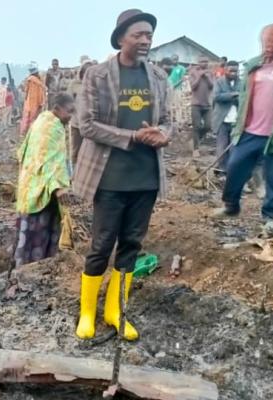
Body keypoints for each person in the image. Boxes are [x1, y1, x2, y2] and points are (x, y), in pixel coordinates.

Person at [74, 9, 172, 341]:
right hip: (109, 175)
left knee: (131, 244)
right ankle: (88, 311)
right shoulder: (98, 76)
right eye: (139, 35)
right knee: (102, 244)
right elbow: (86, 125)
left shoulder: (158, 77)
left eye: (149, 36)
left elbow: (169, 120)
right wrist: (131, 137)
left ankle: (116, 310)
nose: (146, 41)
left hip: (146, 176)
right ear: (121, 39)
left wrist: (163, 134)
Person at [212, 24, 273, 232]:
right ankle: (231, 206)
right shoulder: (254, 67)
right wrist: (239, 127)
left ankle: (269, 216)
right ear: (265, 41)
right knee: (235, 166)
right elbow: (245, 98)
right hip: (250, 130)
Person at [13, 93, 76, 267]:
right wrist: (58, 187)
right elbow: (47, 159)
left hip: (33, 184)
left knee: (38, 230)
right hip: (42, 187)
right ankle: (33, 268)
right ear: (57, 109)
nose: (71, 116)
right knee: (38, 231)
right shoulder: (51, 127)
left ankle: (39, 266)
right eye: (69, 111)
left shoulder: (43, 120)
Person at [212, 61, 241, 171]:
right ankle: (221, 169)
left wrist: (236, 97)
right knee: (222, 147)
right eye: (231, 70)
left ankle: (231, 169)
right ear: (225, 70)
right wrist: (233, 95)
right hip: (222, 120)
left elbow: (245, 98)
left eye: (236, 71)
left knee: (234, 148)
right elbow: (217, 97)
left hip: (237, 121)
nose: (233, 73)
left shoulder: (242, 83)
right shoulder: (219, 82)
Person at [189, 55, 214, 155]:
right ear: (198, 62)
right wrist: (199, 76)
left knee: (208, 126)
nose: (204, 64)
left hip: (207, 104)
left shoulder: (210, 73)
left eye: (206, 62)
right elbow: (193, 87)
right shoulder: (193, 72)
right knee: (197, 126)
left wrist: (207, 77)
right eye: (202, 62)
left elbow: (212, 86)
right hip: (196, 104)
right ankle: (196, 149)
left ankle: (197, 139)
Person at [20, 67, 47, 135]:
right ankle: (28, 131)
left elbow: (26, 90)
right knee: (31, 116)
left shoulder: (36, 80)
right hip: (33, 101)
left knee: (32, 116)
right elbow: (27, 90)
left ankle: (28, 131)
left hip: (36, 101)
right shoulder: (32, 79)